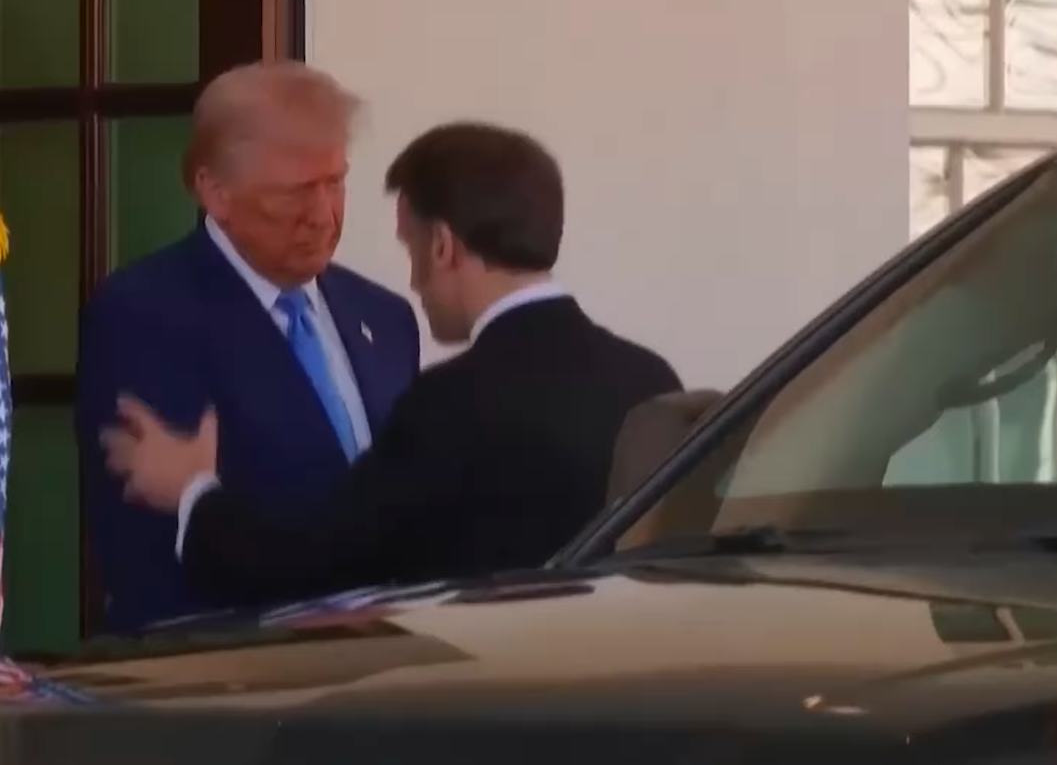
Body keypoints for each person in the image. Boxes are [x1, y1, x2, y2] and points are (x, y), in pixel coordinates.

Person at [99, 120, 683, 610]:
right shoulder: (651, 382)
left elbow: (314, 565)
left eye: (409, 247)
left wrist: (193, 492)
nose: (411, 282)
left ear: (443, 247)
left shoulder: (450, 405)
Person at [75, 61, 421, 633]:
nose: (323, 215)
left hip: (385, 679)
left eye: (335, 182)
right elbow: (156, 552)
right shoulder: (144, 314)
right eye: (295, 192)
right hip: (234, 686)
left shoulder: (384, 318)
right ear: (215, 191)